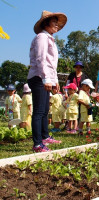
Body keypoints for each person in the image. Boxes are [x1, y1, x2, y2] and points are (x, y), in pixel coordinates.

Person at [27, 10, 66, 152]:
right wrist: (45, 79)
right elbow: (40, 59)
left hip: (46, 78)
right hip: (38, 77)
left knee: (45, 110)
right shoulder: (41, 38)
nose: (57, 25)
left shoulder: (50, 39)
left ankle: (45, 136)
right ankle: (37, 144)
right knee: (38, 110)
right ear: (46, 23)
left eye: (57, 23)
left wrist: (55, 80)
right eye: (54, 23)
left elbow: (52, 63)